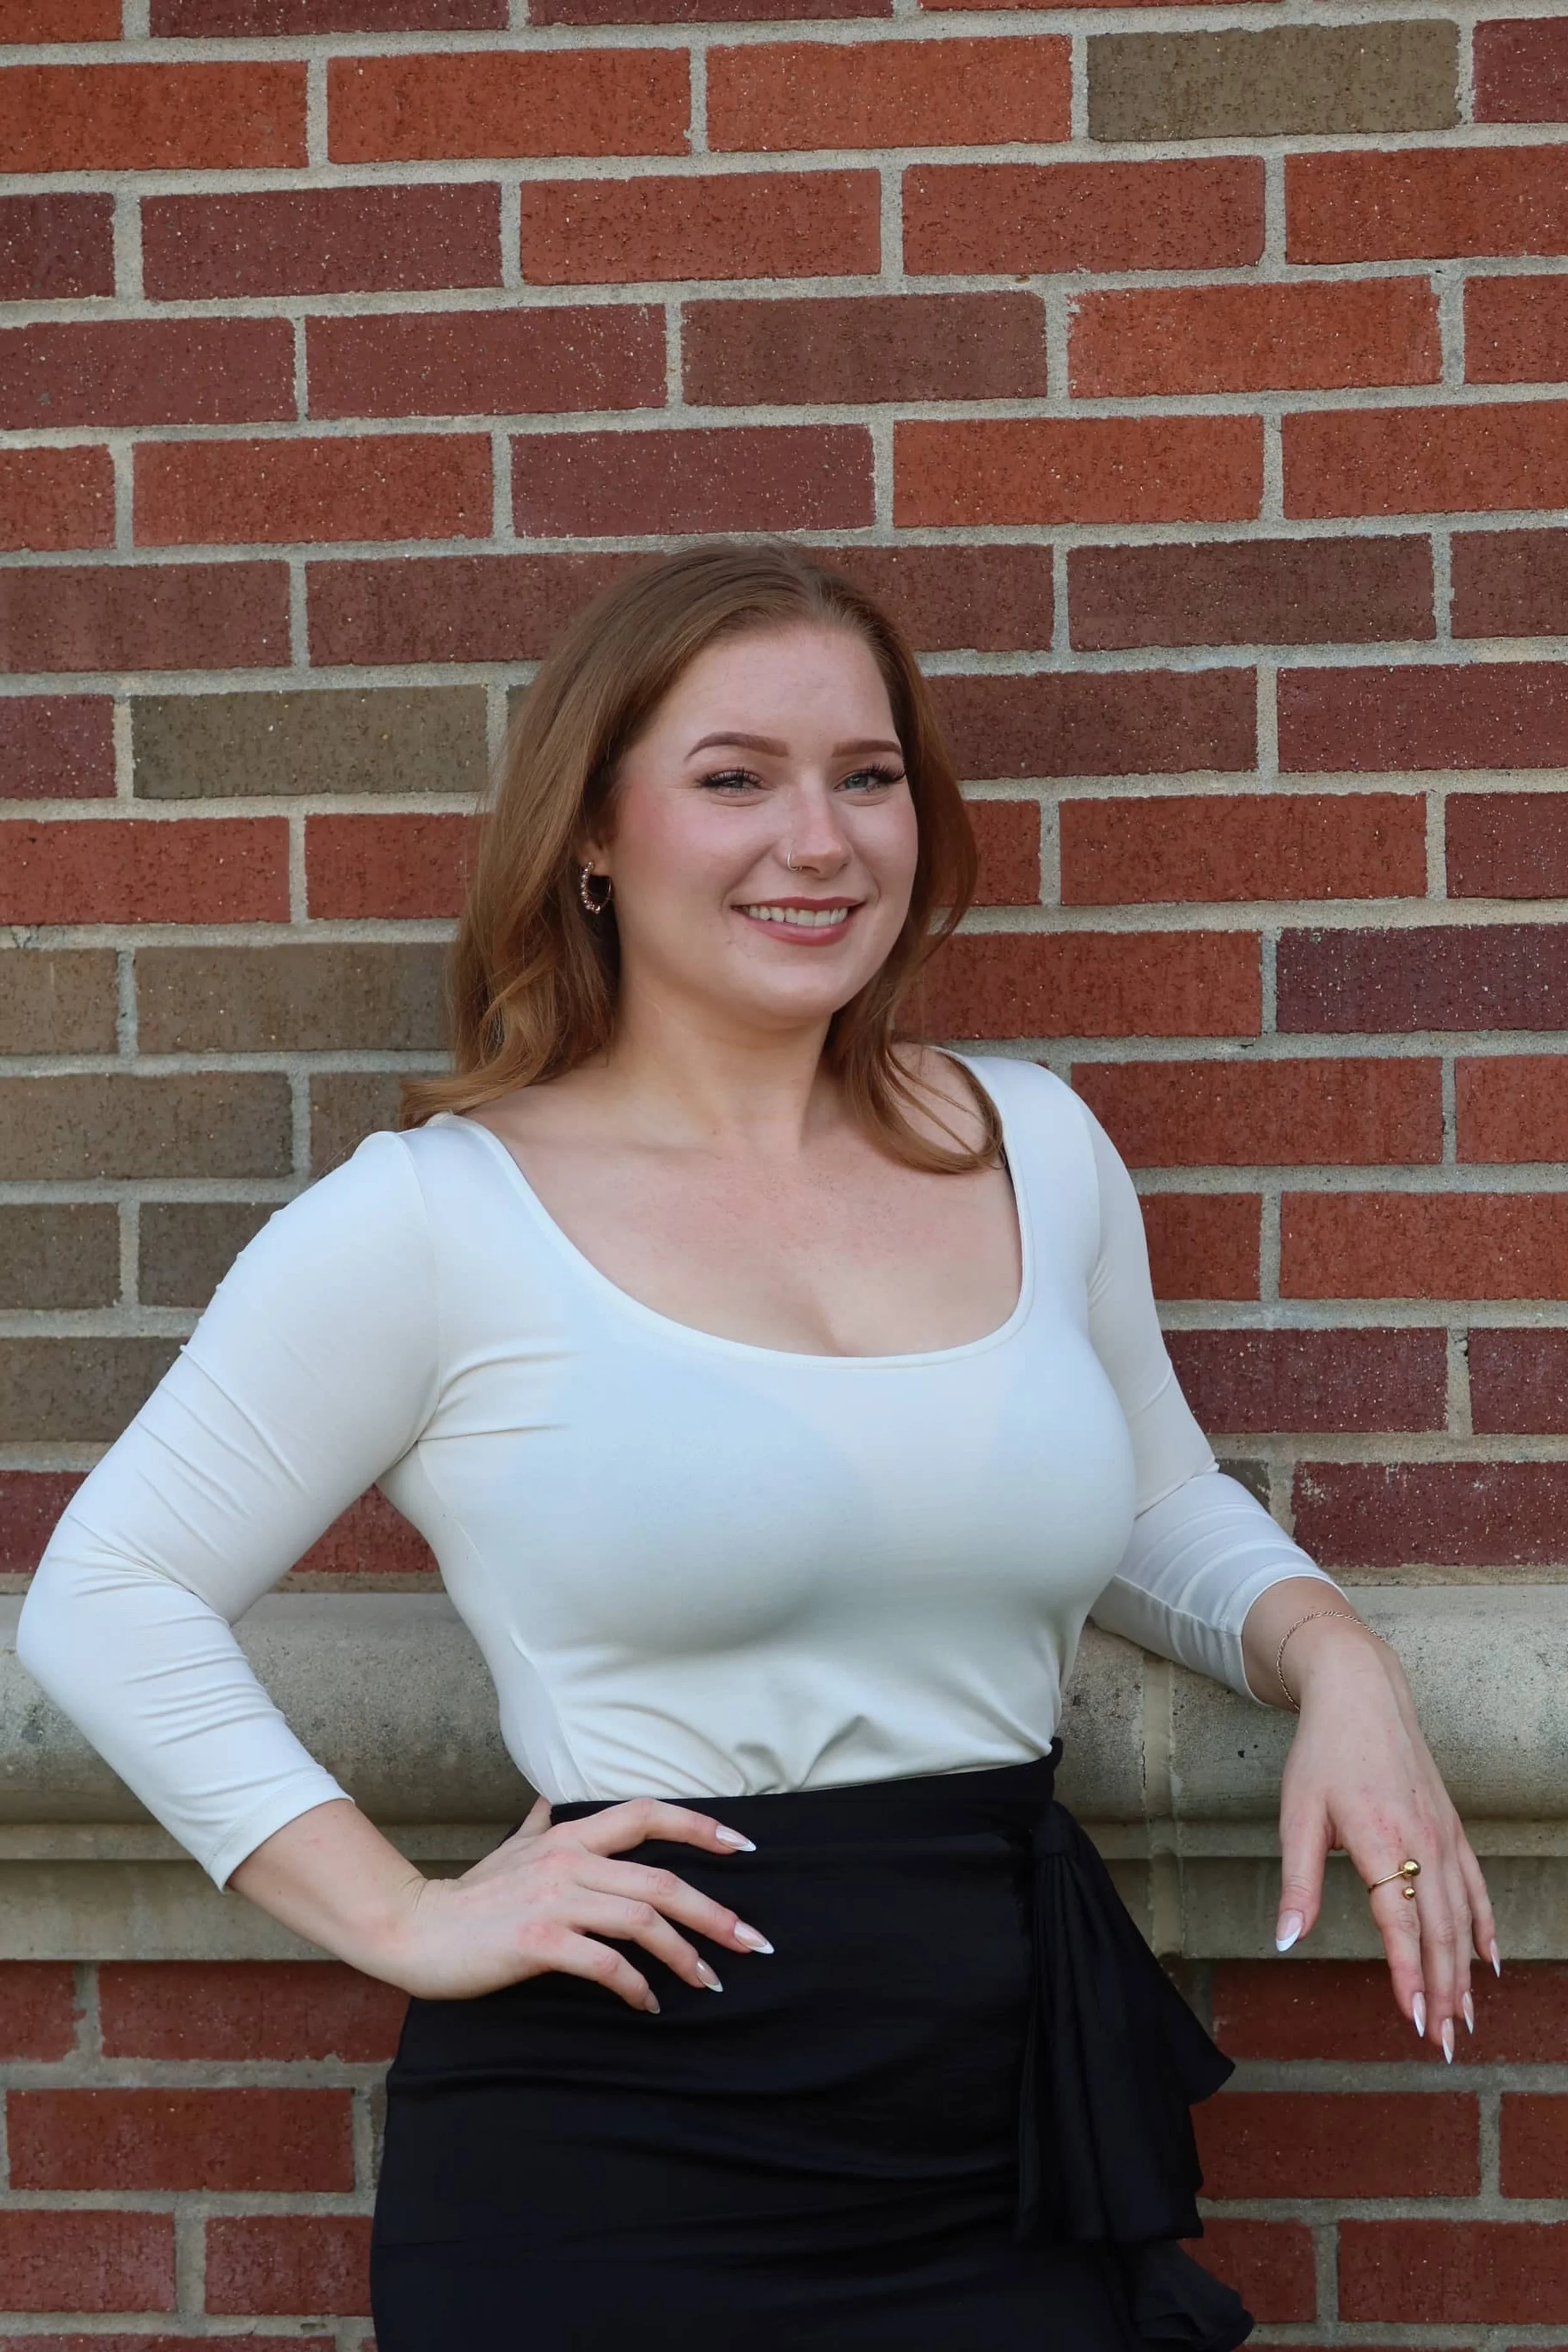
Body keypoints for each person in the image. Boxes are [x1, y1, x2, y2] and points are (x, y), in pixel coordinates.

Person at [18, 543, 1495, 2352]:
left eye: (864, 776)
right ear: (590, 835)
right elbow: (110, 1589)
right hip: (617, 2151)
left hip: (1001, 2113)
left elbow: (1141, 1498)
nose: (822, 840)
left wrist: (1335, 1658)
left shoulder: (1029, 1145)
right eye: (736, 779)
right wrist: (398, 1914)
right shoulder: (430, 1219)